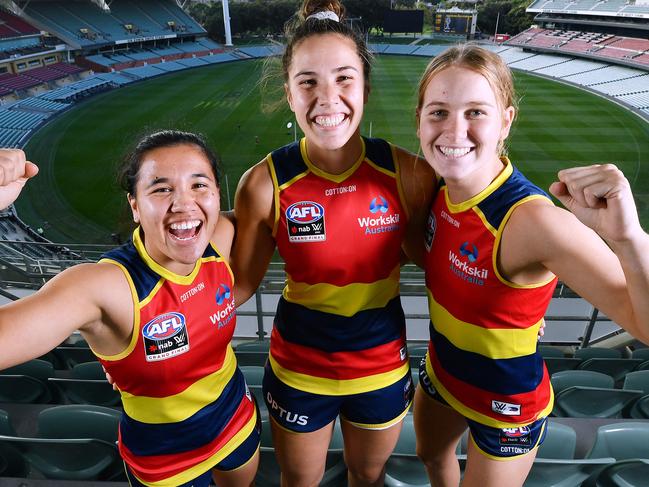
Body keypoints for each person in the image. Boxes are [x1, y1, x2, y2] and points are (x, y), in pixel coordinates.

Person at [413, 44, 649, 487]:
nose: (454, 130)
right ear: (421, 120)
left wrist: (628, 238)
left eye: (476, 112)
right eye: (438, 112)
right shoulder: (431, 188)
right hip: (442, 374)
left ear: (506, 120)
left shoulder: (535, 220)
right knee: (430, 455)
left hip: (507, 407)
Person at [229, 1, 436, 485]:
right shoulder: (264, 183)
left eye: (344, 79)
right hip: (298, 367)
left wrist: (511, 299)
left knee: (367, 477)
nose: (327, 99)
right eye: (308, 82)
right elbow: (237, 288)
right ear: (288, 93)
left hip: (382, 364)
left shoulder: (408, 174)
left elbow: (444, 263)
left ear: (364, 85)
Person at [0, 131, 260, 487]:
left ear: (217, 195)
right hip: (165, 458)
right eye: (161, 188)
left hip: (237, 419)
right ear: (135, 206)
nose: (184, 203)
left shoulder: (222, 236)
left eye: (199, 185)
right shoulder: (102, 286)